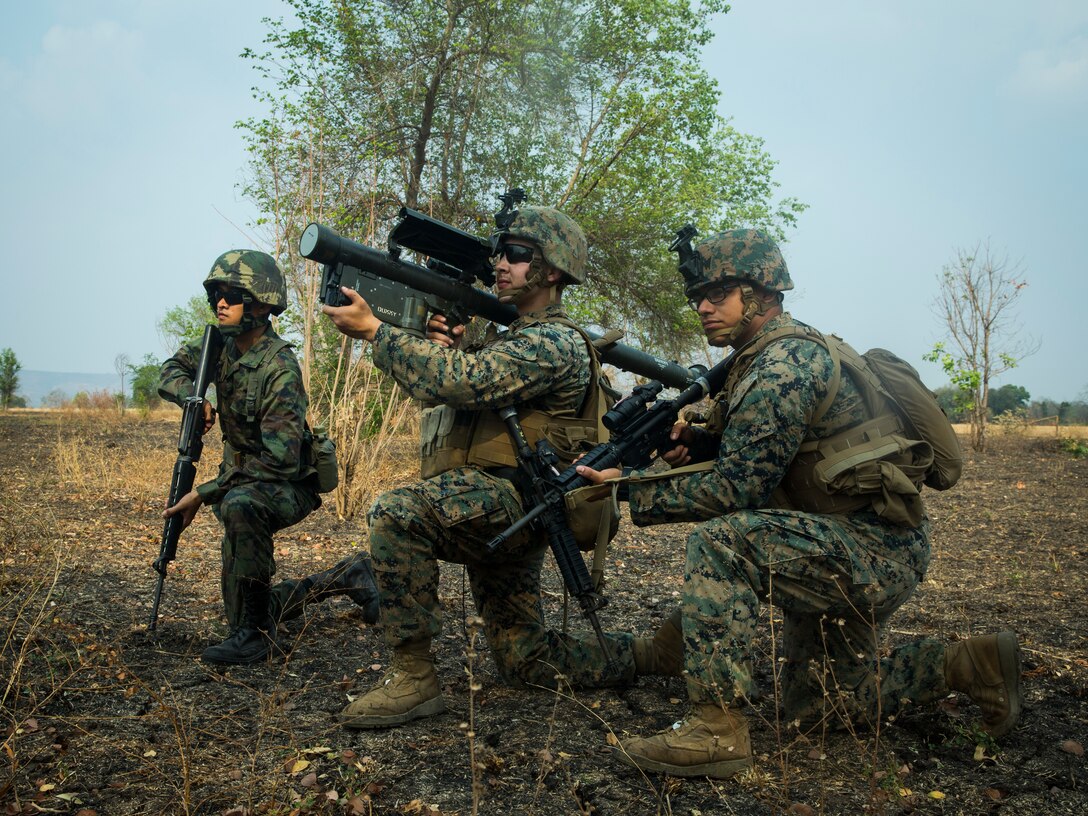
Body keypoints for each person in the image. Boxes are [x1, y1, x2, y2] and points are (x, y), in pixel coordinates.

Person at [576, 229, 1022, 778]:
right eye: (699, 295)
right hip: (853, 542)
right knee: (823, 705)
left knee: (722, 544)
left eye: (720, 293)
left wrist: (628, 486)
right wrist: (698, 441)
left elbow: (737, 489)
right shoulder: (770, 354)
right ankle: (972, 664)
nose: (703, 306)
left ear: (763, 295)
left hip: (867, 551)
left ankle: (715, 732)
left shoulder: (783, 365)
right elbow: (772, 452)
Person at [322, 206, 681, 728]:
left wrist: (379, 332)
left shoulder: (553, 341)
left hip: (514, 503)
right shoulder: (510, 337)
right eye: (500, 254)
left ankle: (414, 679)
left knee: (398, 514)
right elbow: (443, 391)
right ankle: (654, 654)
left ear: (552, 271)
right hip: (497, 502)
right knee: (525, 662)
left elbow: (465, 382)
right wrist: (437, 347)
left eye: (516, 255)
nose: (500, 264)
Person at [159, 250, 378, 665]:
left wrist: (204, 493)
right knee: (240, 609)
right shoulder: (219, 345)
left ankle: (258, 637)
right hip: (244, 479)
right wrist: (195, 398)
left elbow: (279, 460)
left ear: (261, 304)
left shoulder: (279, 367)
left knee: (241, 508)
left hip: (287, 483)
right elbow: (169, 370)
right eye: (216, 294)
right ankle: (344, 577)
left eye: (232, 294)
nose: (220, 303)